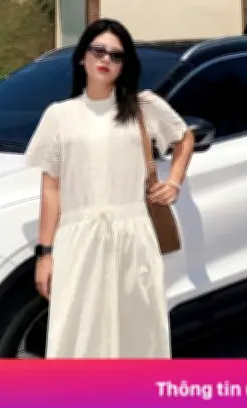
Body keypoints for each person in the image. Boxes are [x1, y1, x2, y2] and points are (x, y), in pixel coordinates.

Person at [25, 18, 195, 358]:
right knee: (78, 333)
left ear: (124, 65)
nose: (106, 59)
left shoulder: (143, 106)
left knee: (137, 332)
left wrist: (174, 182)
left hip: (133, 233)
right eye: (98, 50)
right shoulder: (59, 115)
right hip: (77, 237)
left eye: (116, 55)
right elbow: (51, 190)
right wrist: (45, 255)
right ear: (82, 57)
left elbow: (184, 137)